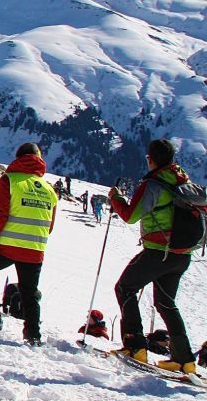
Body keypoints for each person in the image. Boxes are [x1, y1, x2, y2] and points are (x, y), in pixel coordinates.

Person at [110, 139, 198, 373]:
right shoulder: (184, 182)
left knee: (124, 288)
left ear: (151, 159)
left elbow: (130, 215)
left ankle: (135, 345)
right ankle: (184, 360)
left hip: (159, 251)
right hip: (183, 254)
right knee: (165, 303)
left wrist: (116, 199)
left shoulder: (153, 184)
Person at [0, 142, 57, 346]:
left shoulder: (9, 180)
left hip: (7, 245)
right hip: (35, 249)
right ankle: (33, 335)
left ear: (18, 157)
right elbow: (50, 226)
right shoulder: (49, 189)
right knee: (29, 292)